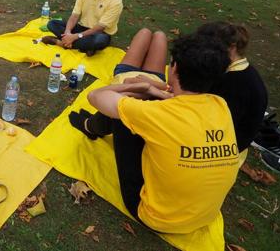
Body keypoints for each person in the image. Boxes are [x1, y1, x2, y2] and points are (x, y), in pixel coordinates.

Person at [87, 32, 238, 234]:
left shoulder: (158, 114)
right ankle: (91, 125)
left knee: (123, 117)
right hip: (203, 217)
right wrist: (157, 90)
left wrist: (141, 86)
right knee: (137, 111)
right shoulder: (220, 105)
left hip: (156, 217)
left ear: (173, 67)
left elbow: (95, 95)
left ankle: (90, 126)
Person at [69, 28, 170, 140]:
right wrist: (152, 84)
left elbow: (128, 84)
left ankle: (89, 126)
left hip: (127, 75)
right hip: (154, 79)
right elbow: (170, 88)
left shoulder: (142, 104)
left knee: (117, 109)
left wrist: (147, 85)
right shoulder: (181, 94)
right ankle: (90, 125)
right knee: (155, 34)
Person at [196, 22, 267, 156]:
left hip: (223, 150)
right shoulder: (240, 70)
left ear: (232, 47)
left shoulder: (235, 82)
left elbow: (217, 126)